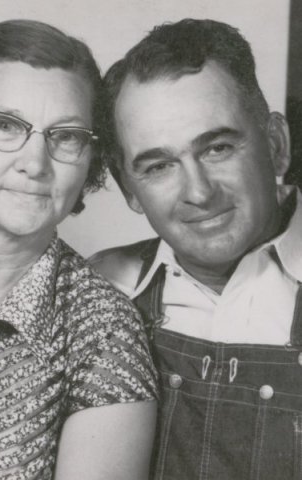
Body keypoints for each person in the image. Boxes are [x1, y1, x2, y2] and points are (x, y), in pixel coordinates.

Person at [90, 18, 301, 480]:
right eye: (159, 166)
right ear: (129, 190)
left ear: (277, 146)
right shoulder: (99, 294)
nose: (199, 192)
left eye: (218, 148)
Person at [0, 19, 157, 480]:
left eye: (65, 136)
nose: (34, 163)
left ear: (89, 161)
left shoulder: (104, 336)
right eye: (5, 126)